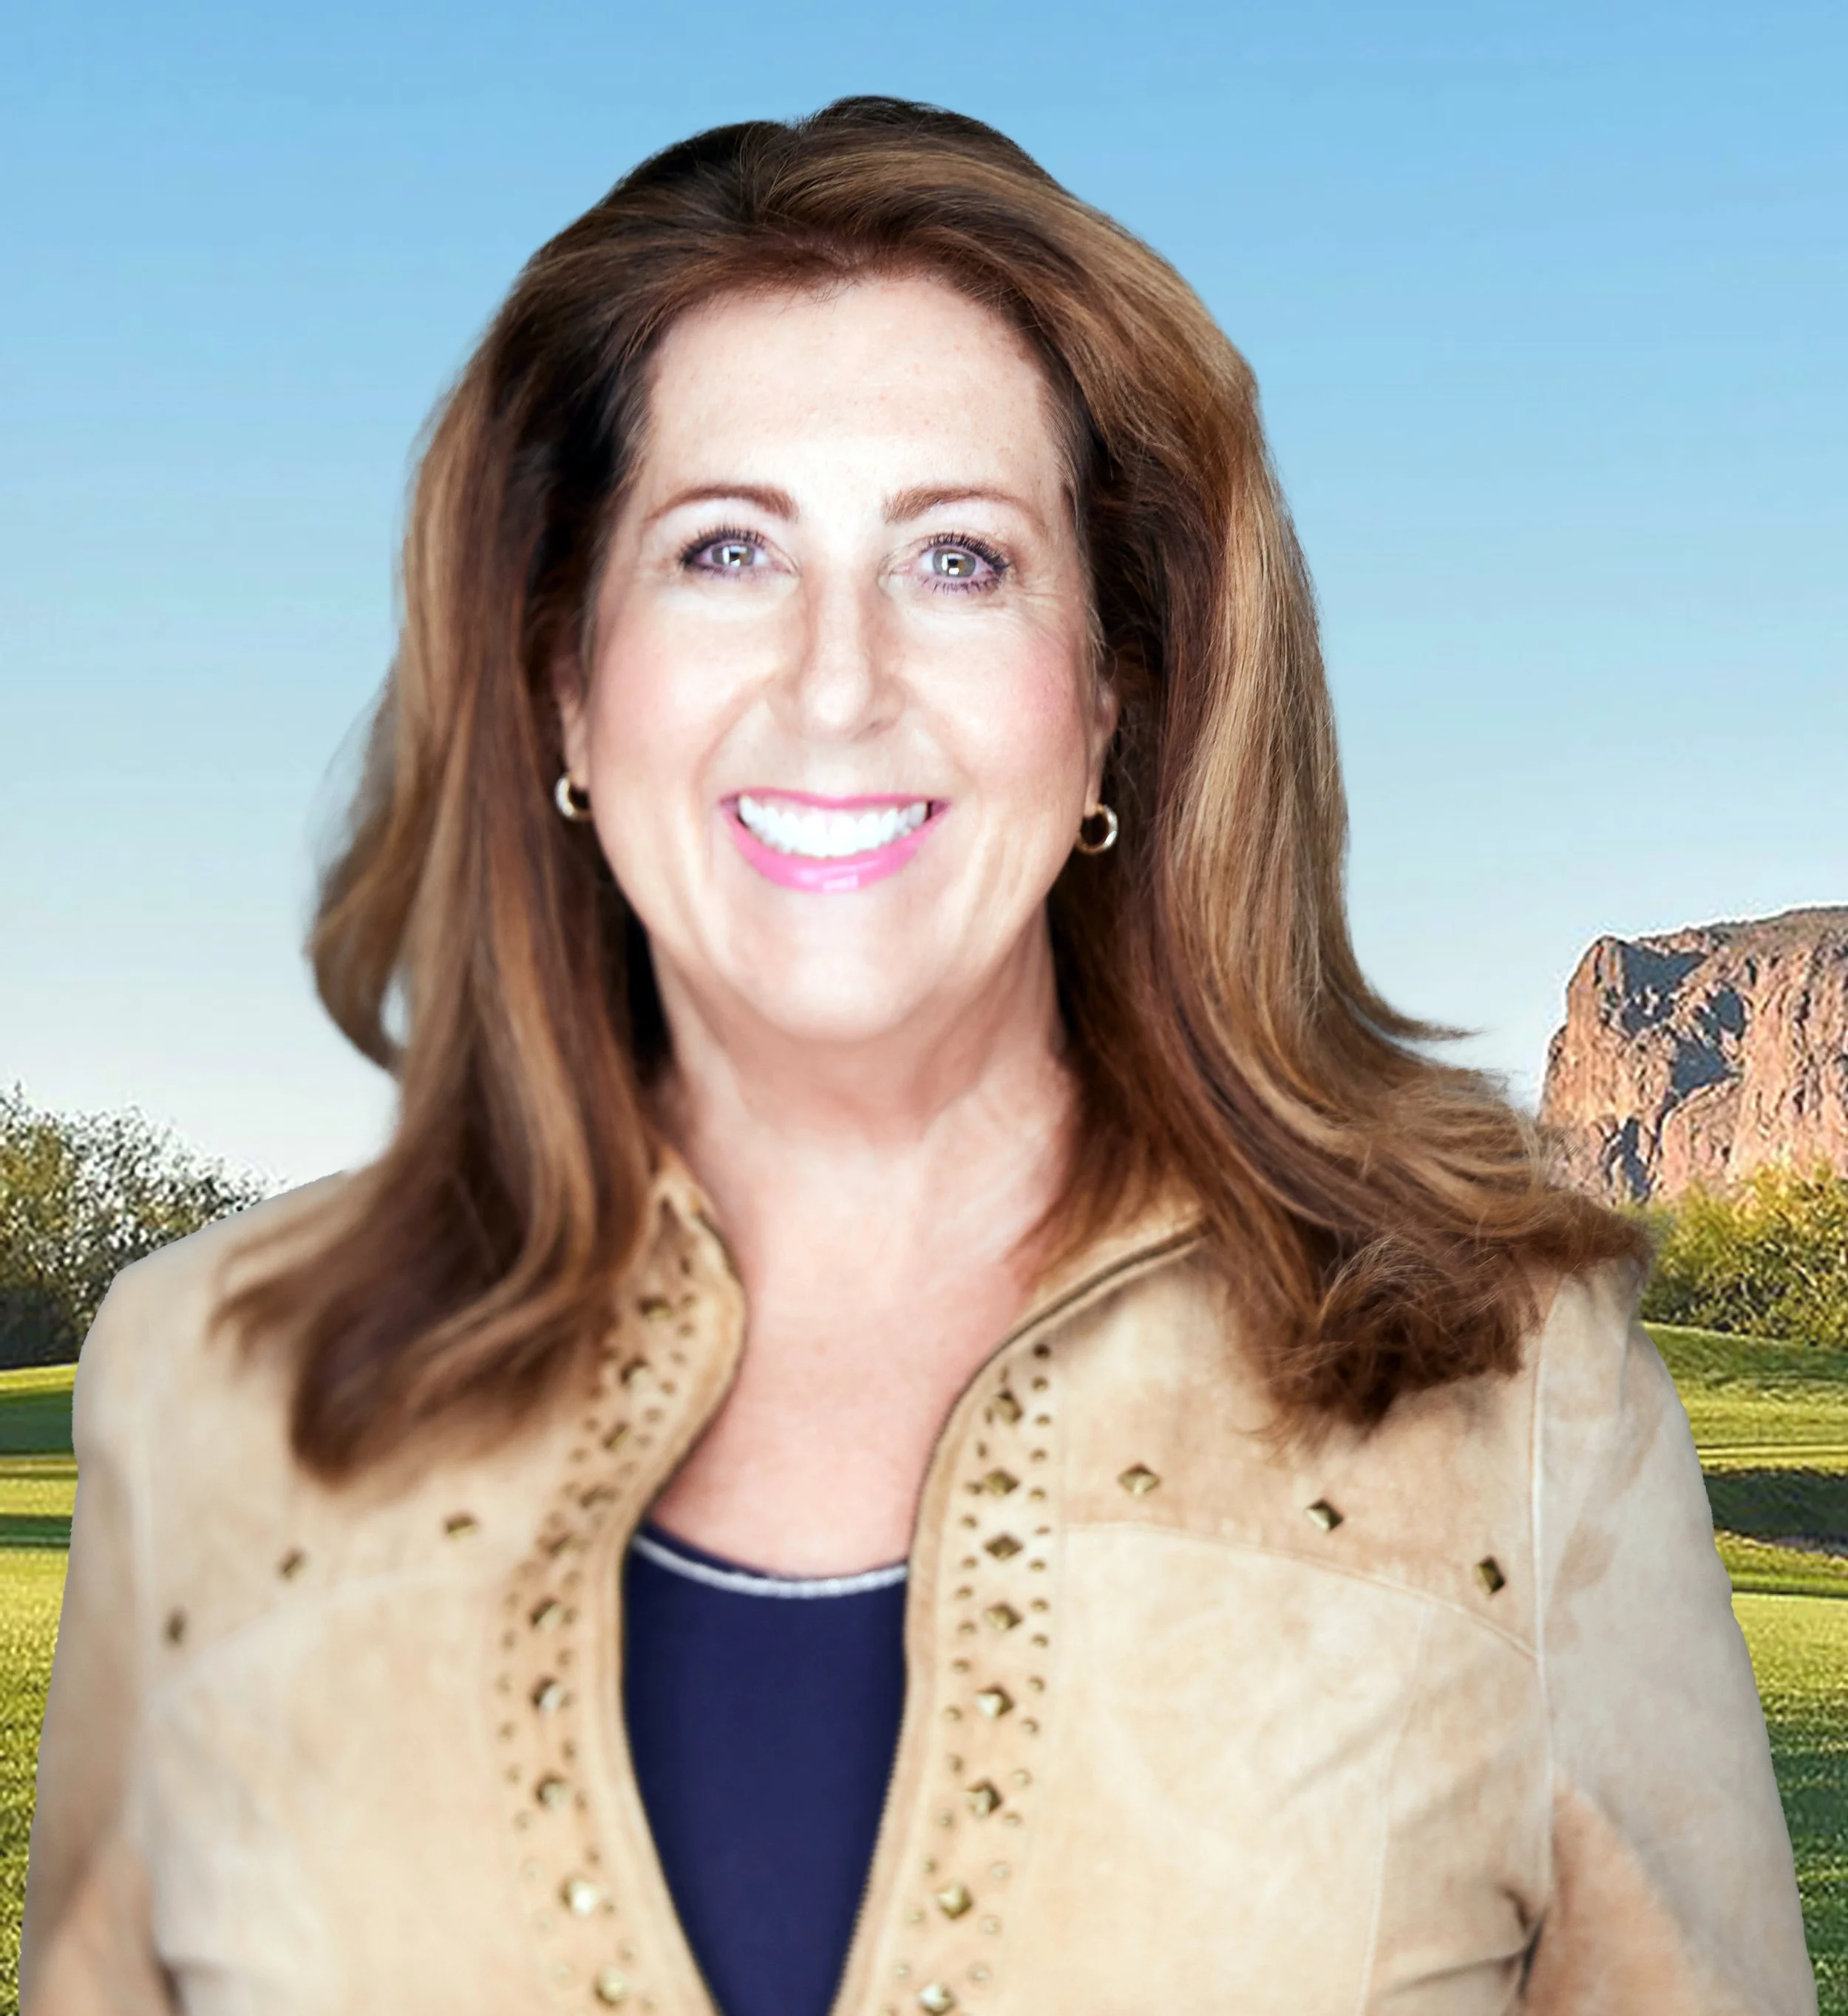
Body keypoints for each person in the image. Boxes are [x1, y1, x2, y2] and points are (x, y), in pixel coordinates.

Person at [21, 97, 1815, 2016]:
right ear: (562, 674)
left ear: (1116, 695)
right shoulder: (209, 1396)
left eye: (958, 559)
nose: (837, 678)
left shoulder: (1511, 1405)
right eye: (724, 549)